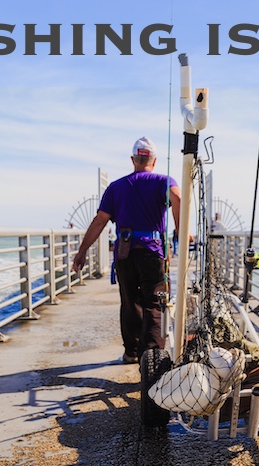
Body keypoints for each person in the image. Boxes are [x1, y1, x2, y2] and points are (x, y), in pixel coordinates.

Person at [72, 137, 182, 364]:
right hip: (153, 251)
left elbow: (99, 221)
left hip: (124, 251)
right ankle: (151, 358)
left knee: (130, 300)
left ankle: (131, 352)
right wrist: (181, 232)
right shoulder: (164, 180)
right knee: (154, 302)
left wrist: (82, 252)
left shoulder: (116, 187)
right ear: (154, 160)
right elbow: (178, 198)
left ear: (133, 159)